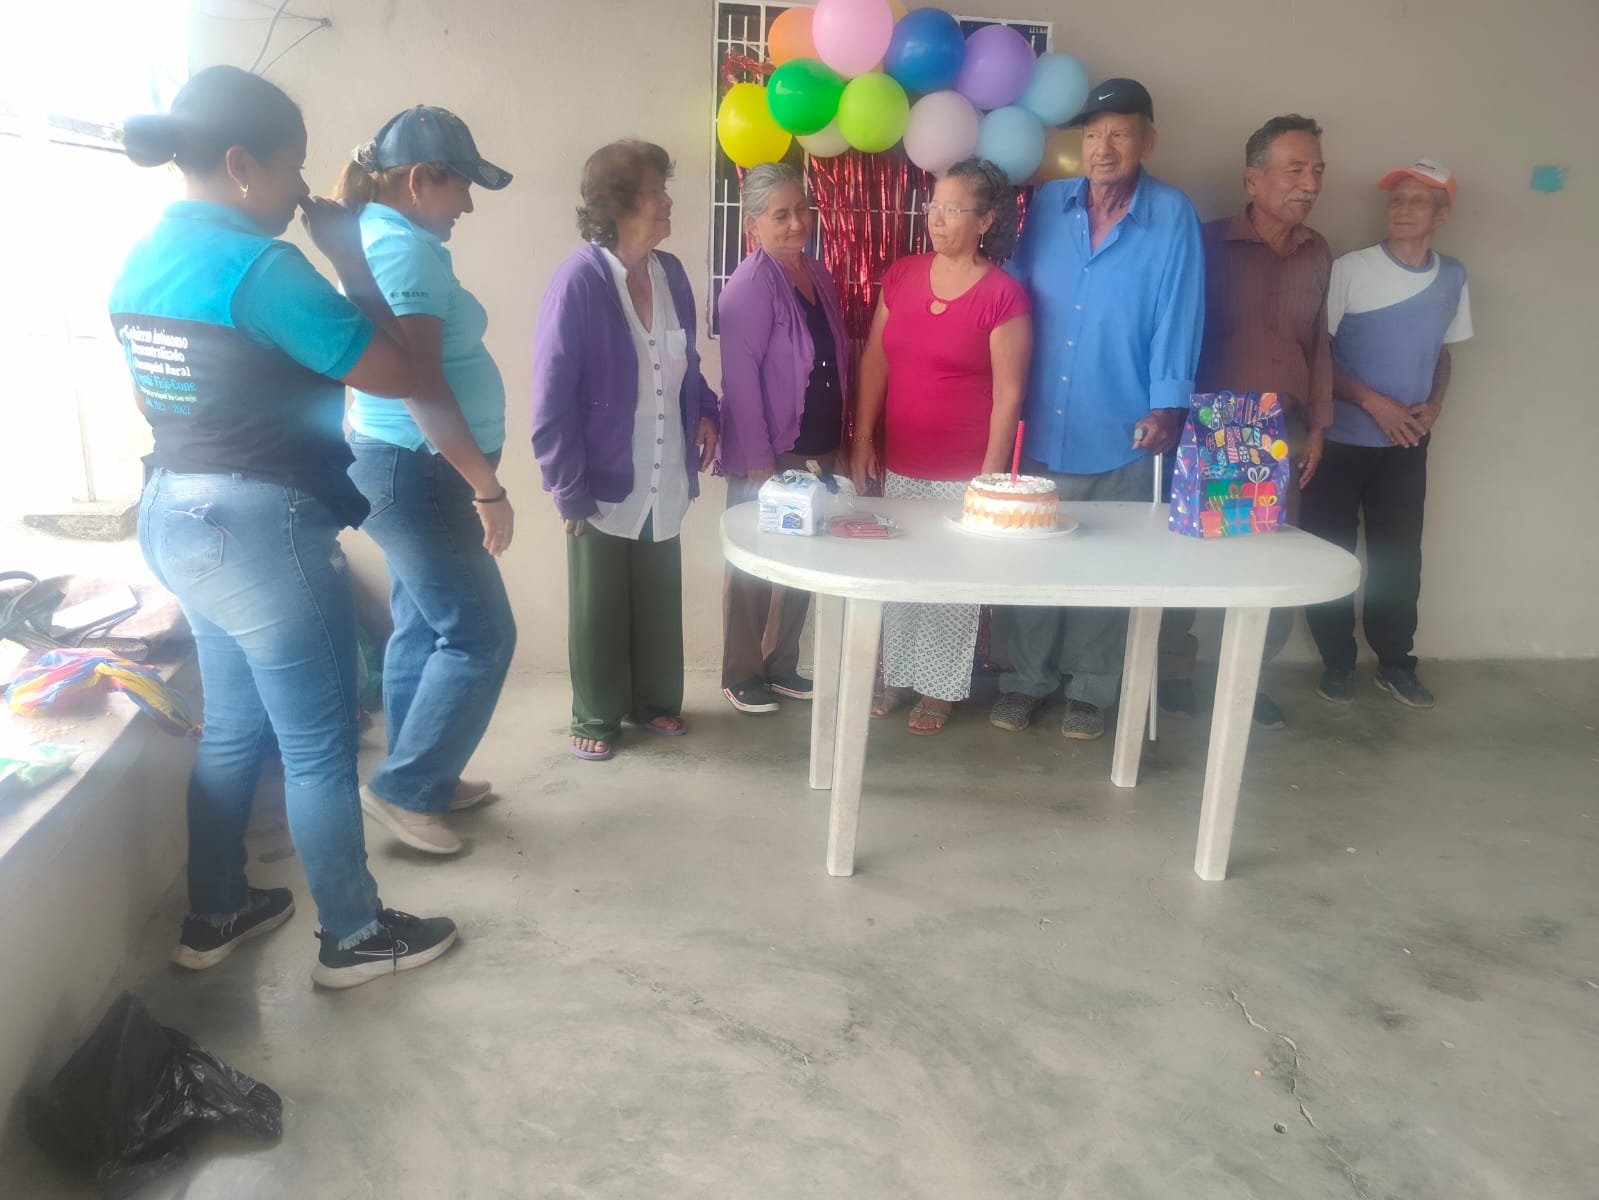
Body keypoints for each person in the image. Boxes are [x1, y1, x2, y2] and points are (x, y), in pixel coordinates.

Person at [112, 65, 456, 989]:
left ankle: (215, 911)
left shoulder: (143, 256)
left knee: (232, 728)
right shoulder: (262, 269)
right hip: (261, 529)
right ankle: (353, 933)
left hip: (173, 513)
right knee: (318, 745)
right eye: (291, 165)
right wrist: (349, 256)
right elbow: (400, 374)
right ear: (240, 164)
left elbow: (158, 394)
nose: (300, 186)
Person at [991, 78, 1204, 741]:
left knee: (1108, 560)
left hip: (1123, 420)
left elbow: (1179, 311)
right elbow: (1012, 298)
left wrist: (1168, 405)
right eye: (1091, 134)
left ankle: (1090, 688)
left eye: (1118, 134)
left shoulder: (1172, 214)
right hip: (1042, 417)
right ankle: (1025, 679)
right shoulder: (1046, 204)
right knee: (1034, 555)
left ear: (1148, 141)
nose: (1102, 147)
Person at [332, 106, 517, 856]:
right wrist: (487, 486)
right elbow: (419, 384)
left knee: (421, 624)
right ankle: (406, 791)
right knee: (480, 636)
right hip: (420, 472)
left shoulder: (384, 238)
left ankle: (422, 774)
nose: (467, 204)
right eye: (460, 185)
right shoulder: (403, 251)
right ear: (418, 179)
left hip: (401, 466)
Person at [532, 140, 720, 761]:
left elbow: (687, 360)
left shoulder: (671, 274)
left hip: (665, 466)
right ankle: (596, 714)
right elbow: (551, 396)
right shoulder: (580, 281)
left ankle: (654, 700)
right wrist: (567, 487)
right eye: (655, 191)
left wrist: (709, 410)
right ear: (618, 204)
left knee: (659, 593)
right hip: (601, 475)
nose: (667, 201)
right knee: (598, 604)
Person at [1157, 114, 1333, 730]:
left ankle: (1245, 681)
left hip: (1283, 433)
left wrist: (1319, 427)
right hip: (1211, 427)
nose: (1309, 184)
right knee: (1187, 556)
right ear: (1253, 180)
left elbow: (1319, 342)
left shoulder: (1318, 251)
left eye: (1317, 171)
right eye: (1295, 169)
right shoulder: (1205, 245)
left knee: (1270, 561)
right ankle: (1174, 673)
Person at [849, 157, 1032, 734]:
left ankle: (938, 689)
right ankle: (898, 676)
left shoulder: (1003, 295)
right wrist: (863, 438)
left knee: (950, 584)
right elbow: (875, 360)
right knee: (901, 574)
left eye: (954, 209)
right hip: (902, 463)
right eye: (934, 205)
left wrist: (989, 481)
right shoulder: (901, 276)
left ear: (986, 220)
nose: (937, 218)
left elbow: (1009, 395)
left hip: (965, 473)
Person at [1299, 160, 1471, 709]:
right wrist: (1373, 403)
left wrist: (1435, 404)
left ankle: (1395, 663)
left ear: (1442, 215)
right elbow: (1316, 355)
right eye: (1397, 200)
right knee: (1330, 554)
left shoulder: (1453, 278)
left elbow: (1443, 353)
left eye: (1418, 201)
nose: (1402, 210)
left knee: (1398, 559)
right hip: (1340, 440)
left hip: (1405, 446)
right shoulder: (1351, 269)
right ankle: (1337, 662)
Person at [717, 163, 849, 714]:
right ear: (753, 225)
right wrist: (757, 462)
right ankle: (741, 672)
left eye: (803, 210)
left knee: (803, 559)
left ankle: (781, 664)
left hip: (818, 447)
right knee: (756, 565)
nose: (797, 223)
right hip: (770, 454)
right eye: (781, 215)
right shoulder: (750, 285)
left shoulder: (815, 272)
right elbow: (740, 381)